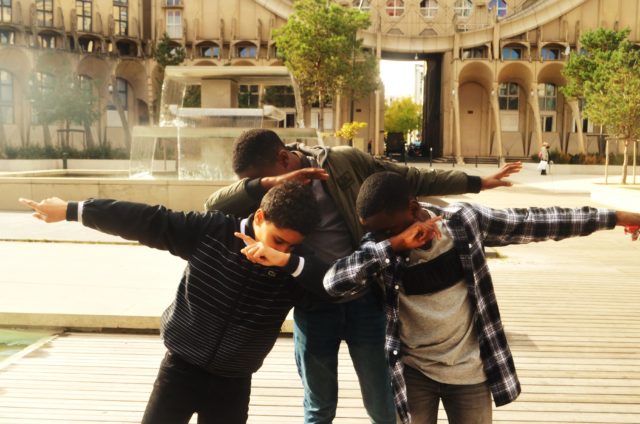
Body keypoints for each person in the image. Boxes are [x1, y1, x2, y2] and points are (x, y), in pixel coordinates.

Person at [204, 128, 522, 424]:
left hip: (366, 302)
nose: (266, 187)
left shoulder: (341, 162)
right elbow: (213, 207)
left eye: (266, 178)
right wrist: (263, 185)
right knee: (318, 407)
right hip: (313, 306)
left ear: (284, 158)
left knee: (384, 406)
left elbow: (408, 179)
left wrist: (476, 182)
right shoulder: (267, 185)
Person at [323, 171, 640, 424]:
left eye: (390, 230)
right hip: (414, 373)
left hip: (470, 372)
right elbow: (333, 282)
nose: (383, 237)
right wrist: (392, 245)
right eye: (378, 234)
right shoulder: (380, 248)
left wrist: (616, 217)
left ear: (411, 206)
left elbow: (536, 221)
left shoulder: (462, 223)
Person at [19, 182, 331, 424]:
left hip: (234, 382)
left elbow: (333, 286)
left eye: (292, 245)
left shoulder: (296, 265)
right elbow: (148, 220)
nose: (284, 248)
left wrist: (286, 261)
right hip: (179, 370)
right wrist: (74, 210)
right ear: (260, 217)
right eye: (278, 240)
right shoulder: (212, 231)